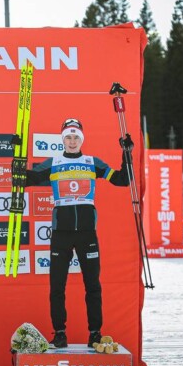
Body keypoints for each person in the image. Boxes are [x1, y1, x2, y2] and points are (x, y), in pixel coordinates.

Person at [23, 118, 132, 348]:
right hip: (61, 234)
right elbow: (25, 179)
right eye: (68, 137)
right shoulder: (54, 163)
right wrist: (16, 160)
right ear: (63, 140)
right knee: (57, 287)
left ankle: (95, 334)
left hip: (86, 233)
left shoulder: (92, 162)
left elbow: (123, 180)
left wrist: (127, 153)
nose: (72, 141)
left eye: (76, 137)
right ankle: (59, 333)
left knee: (93, 285)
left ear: (81, 140)